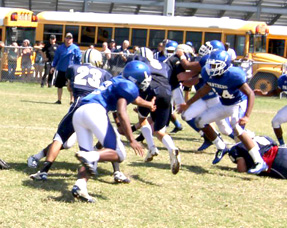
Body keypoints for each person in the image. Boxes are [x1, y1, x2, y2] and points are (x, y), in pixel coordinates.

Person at [28, 49, 130, 183]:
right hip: (97, 108)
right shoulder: (105, 74)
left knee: (60, 138)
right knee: (108, 140)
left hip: (78, 107)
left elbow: (70, 88)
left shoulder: (73, 68)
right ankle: (116, 171)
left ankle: (43, 171)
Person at [71, 60, 156, 203]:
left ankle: (80, 186)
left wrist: (147, 104)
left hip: (80, 113)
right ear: (137, 78)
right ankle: (90, 156)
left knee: (89, 159)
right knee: (119, 154)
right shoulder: (129, 86)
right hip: (95, 111)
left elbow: (134, 99)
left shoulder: (118, 80)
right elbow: (122, 112)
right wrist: (132, 140)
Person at [179, 50, 267, 174]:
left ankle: (259, 161)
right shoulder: (208, 73)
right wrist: (187, 104)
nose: (211, 68)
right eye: (210, 64)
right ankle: (221, 146)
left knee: (236, 128)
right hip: (224, 104)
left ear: (224, 65)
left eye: (215, 65)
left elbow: (250, 93)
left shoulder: (234, 74)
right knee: (199, 121)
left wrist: (247, 115)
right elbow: (203, 90)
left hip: (238, 103)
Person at [131, 48, 181, 174]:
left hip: (151, 91)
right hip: (167, 93)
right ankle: (172, 148)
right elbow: (177, 60)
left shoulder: (140, 61)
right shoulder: (163, 63)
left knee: (142, 120)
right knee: (159, 130)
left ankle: (152, 147)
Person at [50, 33, 82, 104]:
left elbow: (78, 59)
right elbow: (56, 58)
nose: (68, 40)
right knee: (59, 85)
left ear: (72, 39)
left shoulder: (75, 48)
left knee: (71, 86)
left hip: (71, 70)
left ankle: (72, 100)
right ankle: (59, 100)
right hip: (61, 69)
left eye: (70, 38)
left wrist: (78, 68)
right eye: (67, 38)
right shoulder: (60, 48)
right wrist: (53, 66)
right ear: (64, 39)